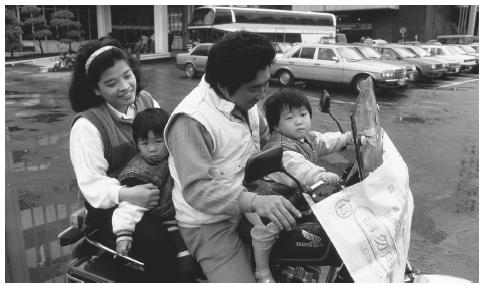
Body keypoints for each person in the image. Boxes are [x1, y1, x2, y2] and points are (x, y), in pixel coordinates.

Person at [164, 30, 302, 282]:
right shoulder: (191, 121)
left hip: (245, 203)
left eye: (266, 84)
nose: (262, 94)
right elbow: (198, 191)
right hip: (208, 222)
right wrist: (256, 201)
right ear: (225, 86)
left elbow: (266, 140)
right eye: (255, 89)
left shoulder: (245, 102)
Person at [68, 39, 178, 282]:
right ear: (95, 89)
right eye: (111, 83)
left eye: (127, 75)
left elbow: (169, 140)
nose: (125, 86)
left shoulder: (146, 100)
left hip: (158, 187)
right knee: (160, 241)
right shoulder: (88, 125)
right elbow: (92, 183)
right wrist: (128, 194)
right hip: (113, 206)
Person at [247, 88, 355, 282]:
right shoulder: (281, 149)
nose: (299, 121)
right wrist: (321, 175)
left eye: (304, 115)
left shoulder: (306, 138)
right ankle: (262, 271)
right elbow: (300, 168)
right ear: (276, 125)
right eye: (289, 118)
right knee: (268, 228)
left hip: (293, 194)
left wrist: (349, 137)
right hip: (268, 198)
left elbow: (323, 141)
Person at [113, 108, 196, 282]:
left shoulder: (176, 155)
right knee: (182, 253)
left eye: (158, 141)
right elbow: (128, 207)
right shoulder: (137, 174)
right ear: (137, 144)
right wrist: (123, 233)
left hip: (182, 209)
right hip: (164, 217)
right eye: (145, 143)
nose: (152, 149)